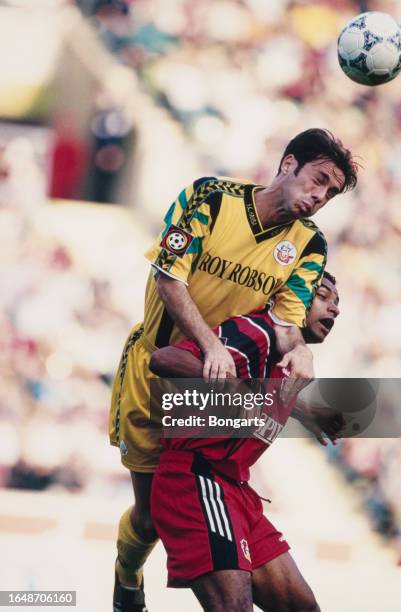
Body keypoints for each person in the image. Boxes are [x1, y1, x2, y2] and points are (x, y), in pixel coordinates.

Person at [109, 129, 357, 611]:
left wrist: (302, 358)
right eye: (318, 180)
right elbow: (168, 274)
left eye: (329, 193)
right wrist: (209, 345)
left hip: (211, 388)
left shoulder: (309, 244)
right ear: (288, 164)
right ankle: (127, 573)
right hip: (156, 369)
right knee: (149, 518)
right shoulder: (211, 197)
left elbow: (287, 324)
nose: (319, 197)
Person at [149, 272, 342, 611]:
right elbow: (165, 359)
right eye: (325, 297)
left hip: (235, 490)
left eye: (338, 303)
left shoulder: (287, 362)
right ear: (292, 300)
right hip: (197, 481)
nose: (335, 309)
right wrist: (239, 395)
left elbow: (256, 393)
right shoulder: (257, 331)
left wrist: (306, 412)